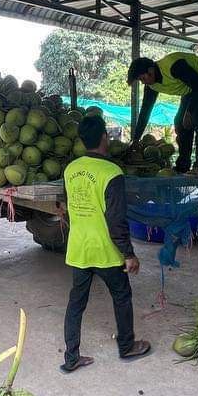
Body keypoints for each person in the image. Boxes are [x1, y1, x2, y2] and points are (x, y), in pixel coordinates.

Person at [60, 114, 151, 373]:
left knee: (76, 303)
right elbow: (116, 220)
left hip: (79, 249)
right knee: (121, 296)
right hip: (105, 250)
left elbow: (67, 206)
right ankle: (126, 346)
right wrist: (129, 254)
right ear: (104, 137)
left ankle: (71, 358)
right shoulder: (112, 172)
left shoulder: (70, 169)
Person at [127, 50, 198, 176]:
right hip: (192, 88)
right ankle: (183, 166)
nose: (143, 82)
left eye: (143, 78)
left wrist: (189, 112)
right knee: (179, 122)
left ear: (150, 70)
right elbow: (145, 110)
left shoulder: (174, 66)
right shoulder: (151, 86)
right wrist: (135, 138)